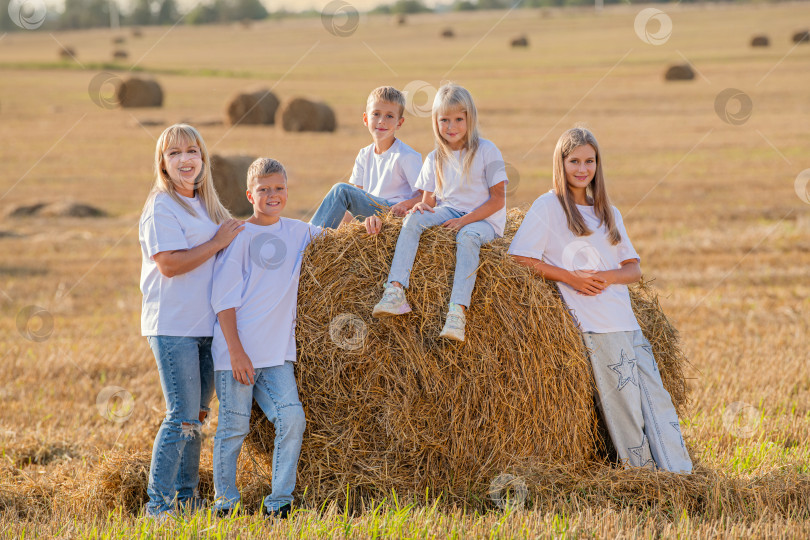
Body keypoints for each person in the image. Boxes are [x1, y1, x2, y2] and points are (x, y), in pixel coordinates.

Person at [508, 127, 692, 473]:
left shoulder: (607, 211)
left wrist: (608, 276)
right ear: (560, 164)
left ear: (597, 165)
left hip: (626, 320)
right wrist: (571, 277)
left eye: (589, 161)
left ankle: (679, 474)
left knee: (658, 400)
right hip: (594, 325)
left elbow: (633, 269)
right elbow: (521, 258)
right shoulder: (548, 207)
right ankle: (645, 478)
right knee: (624, 408)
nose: (582, 168)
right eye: (574, 160)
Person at [139, 123, 245, 518]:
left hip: (206, 328)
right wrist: (217, 241)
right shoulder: (161, 206)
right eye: (174, 153)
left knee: (197, 419)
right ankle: (158, 504)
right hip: (173, 326)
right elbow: (168, 264)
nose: (185, 159)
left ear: (203, 159)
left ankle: (186, 498)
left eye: (192, 152)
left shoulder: (206, 204)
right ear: (163, 164)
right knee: (181, 415)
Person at [211, 158, 321, 519]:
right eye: (263, 189)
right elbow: (223, 302)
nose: (272, 195)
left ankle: (279, 502)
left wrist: (371, 222)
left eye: (278, 188)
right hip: (236, 355)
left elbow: (340, 240)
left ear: (287, 191)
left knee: (292, 420)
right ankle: (225, 502)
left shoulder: (299, 232)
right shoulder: (240, 237)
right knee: (233, 428)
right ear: (249, 194)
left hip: (276, 356)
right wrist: (237, 353)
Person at [368, 83, 508, 342]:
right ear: (436, 122)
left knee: (466, 237)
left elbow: (498, 200)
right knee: (414, 219)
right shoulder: (435, 157)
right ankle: (395, 290)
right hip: (449, 210)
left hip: (485, 219)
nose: (451, 127)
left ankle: (457, 312)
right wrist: (419, 206)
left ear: (470, 119)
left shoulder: (487, 151)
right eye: (444, 120)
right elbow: (429, 199)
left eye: (458, 119)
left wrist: (464, 221)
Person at [309, 86, 423, 228]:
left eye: (389, 116)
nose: (381, 121)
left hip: (394, 213)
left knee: (342, 190)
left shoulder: (406, 156)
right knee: (345, 194)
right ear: (365, 119)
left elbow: (428, 197)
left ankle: (310, 236)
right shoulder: (364, 154)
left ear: (399, 123)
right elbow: (355, 200)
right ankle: (316, 238)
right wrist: (339, 235)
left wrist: (404, 205)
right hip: (372, 214)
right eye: (376, 114)